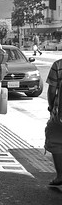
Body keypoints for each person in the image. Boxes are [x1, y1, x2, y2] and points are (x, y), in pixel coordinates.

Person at [45, 57, 62, 186]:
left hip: (59, 115)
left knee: (56, 143)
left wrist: (51, 108)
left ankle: (60, 176)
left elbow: (52, 90)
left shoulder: (58, 65)